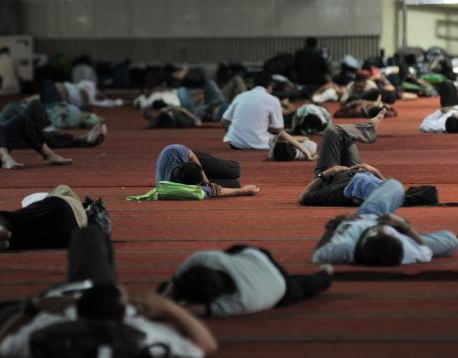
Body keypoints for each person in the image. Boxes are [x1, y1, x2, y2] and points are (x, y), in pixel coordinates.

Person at [0, 225, 218, 358]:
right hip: (82, 298)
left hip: (58, 301)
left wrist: (36, 307)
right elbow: (206, 344)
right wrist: (166, 306)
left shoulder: (49, 334)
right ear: (127, 314)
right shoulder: (148, 339)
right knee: (91, 235)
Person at [159, 245, 333, 317]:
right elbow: (177, 282)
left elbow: (186, 309)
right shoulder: (207, 259)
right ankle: (325, 271)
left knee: (302, 289)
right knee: (236, 250)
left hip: (280, 285)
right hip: (255, 256)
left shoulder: (239, 301)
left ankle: (325, 275)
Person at [312, 179, 458, 266]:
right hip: (401, 234)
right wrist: (403, 227)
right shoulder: (404, 250)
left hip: (367, 216)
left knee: (394, 185)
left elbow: (317, 253)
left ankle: (401, 198)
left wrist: (333, 223)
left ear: (362, 243)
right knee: (451, 241)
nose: (382, 228)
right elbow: (425, 250)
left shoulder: (344, 249)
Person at [299, 109, 386, 206]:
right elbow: (393, 190)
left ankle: (369, 127)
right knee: (347, 135)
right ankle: (369, 128)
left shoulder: (336, 191)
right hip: (354, 168)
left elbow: (303, 198)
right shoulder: (373, 189)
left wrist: (326, 174)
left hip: (330, 176)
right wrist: (375, 172)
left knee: (332, 131)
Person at [0, 185, 87, 253]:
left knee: (4, 216)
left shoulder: (63, 192)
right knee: (24, 239)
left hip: (62, 206)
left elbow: (35, 211)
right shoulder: (85, 219)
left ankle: (1, 231)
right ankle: (8, 243)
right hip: (71, 236)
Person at [156, 144, 259, 198]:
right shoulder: (183, 191)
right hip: (187, 177)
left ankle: (205, 177)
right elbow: (215, 193)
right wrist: (243, 191)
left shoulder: (173, 151)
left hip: (196, 160)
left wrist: (206, 182)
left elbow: (191, 154)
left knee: (235, 169)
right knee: (235, 184)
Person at [221, 71, 284, 149]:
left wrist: (234, 137)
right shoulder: (273, 100)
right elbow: (279, 130)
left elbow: (224, 122)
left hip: (235, 144)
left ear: (253, 85)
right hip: (260, 144)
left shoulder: (240, 96)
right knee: (282, 140)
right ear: (269, 86)